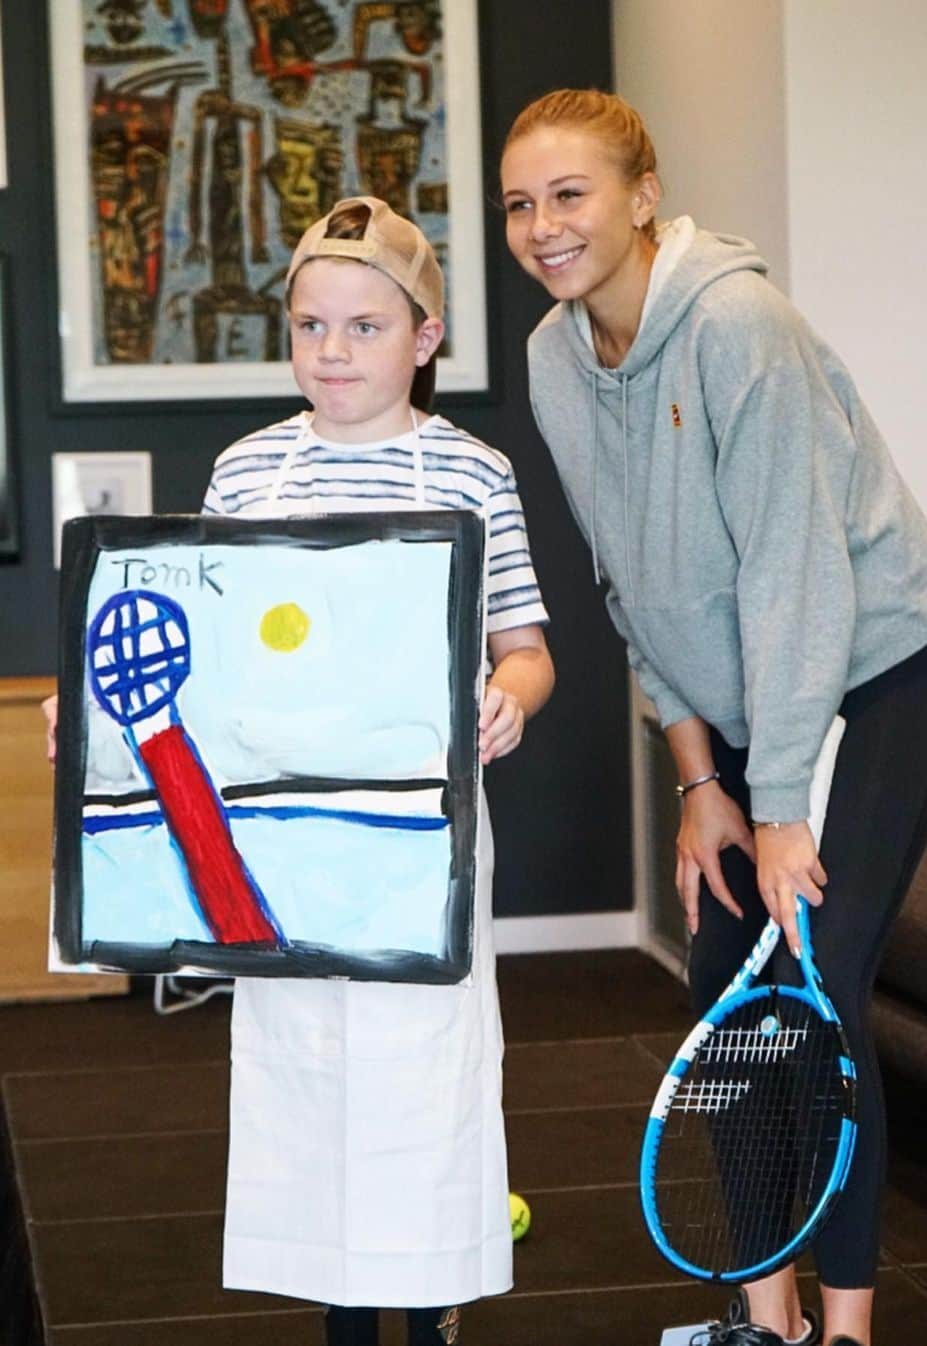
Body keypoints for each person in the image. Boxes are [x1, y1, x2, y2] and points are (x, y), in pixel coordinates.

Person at [500, 90, 927, 1346]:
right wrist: (699, 779)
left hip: (882, 659)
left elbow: (793, 570)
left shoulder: (738, 327)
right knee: (730, 983)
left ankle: (851, 1330)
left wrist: (780, 813)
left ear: (643, 196)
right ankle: (764, 1319)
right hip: (739, 685)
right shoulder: (557, 359)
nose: (543, 226)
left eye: (570, 193)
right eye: (520, 202)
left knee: (819, 972)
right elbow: (631, 582)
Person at [44, 196, 555, 1346]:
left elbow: (527, 649)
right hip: (276, 838)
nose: (332, 351)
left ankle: (428, 1314)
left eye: (365, 326)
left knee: (425, 1076)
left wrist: (506, 703)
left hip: (423, 843)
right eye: (311, 325)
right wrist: (92, 727)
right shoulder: (247, 470)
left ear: (424, 337)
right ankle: (340, 1321)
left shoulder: (473, 473)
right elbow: (204, 660)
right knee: (302, 1070)